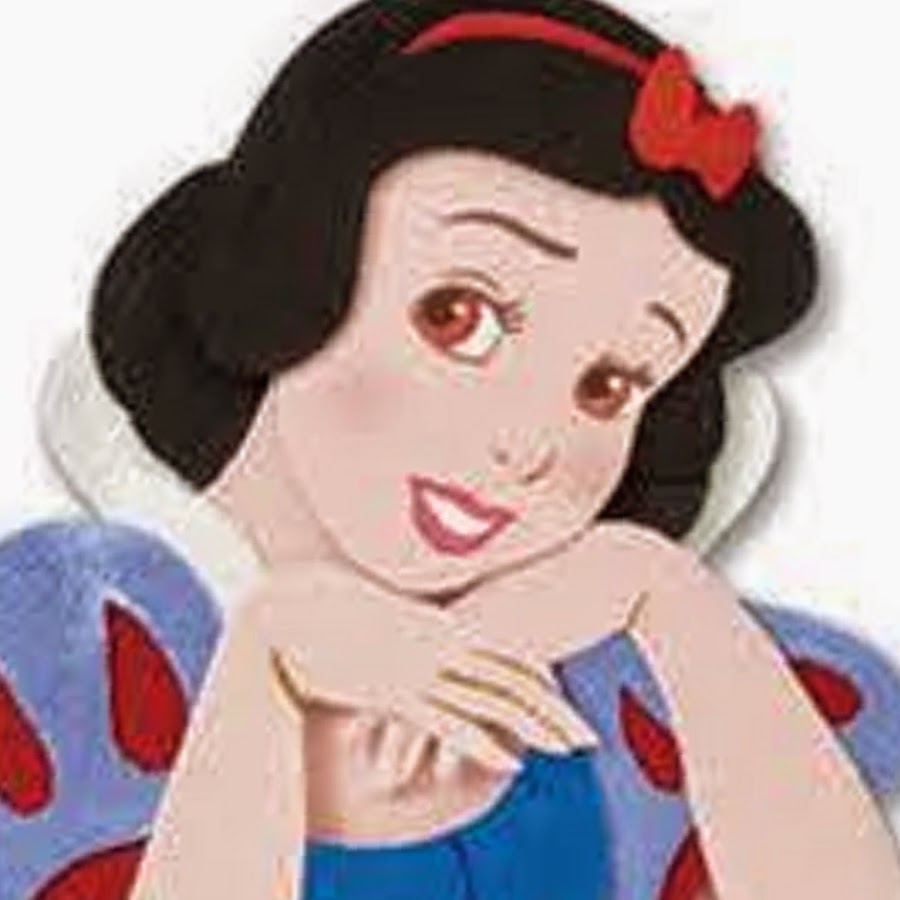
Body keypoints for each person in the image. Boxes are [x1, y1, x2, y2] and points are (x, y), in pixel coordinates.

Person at [4, 1, 900, 898]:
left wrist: (658, 586)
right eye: (458, 316)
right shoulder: (78, 649)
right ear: (294, 263)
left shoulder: (631, 680)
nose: (529, 445)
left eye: (609, 385)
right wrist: (266, 654)